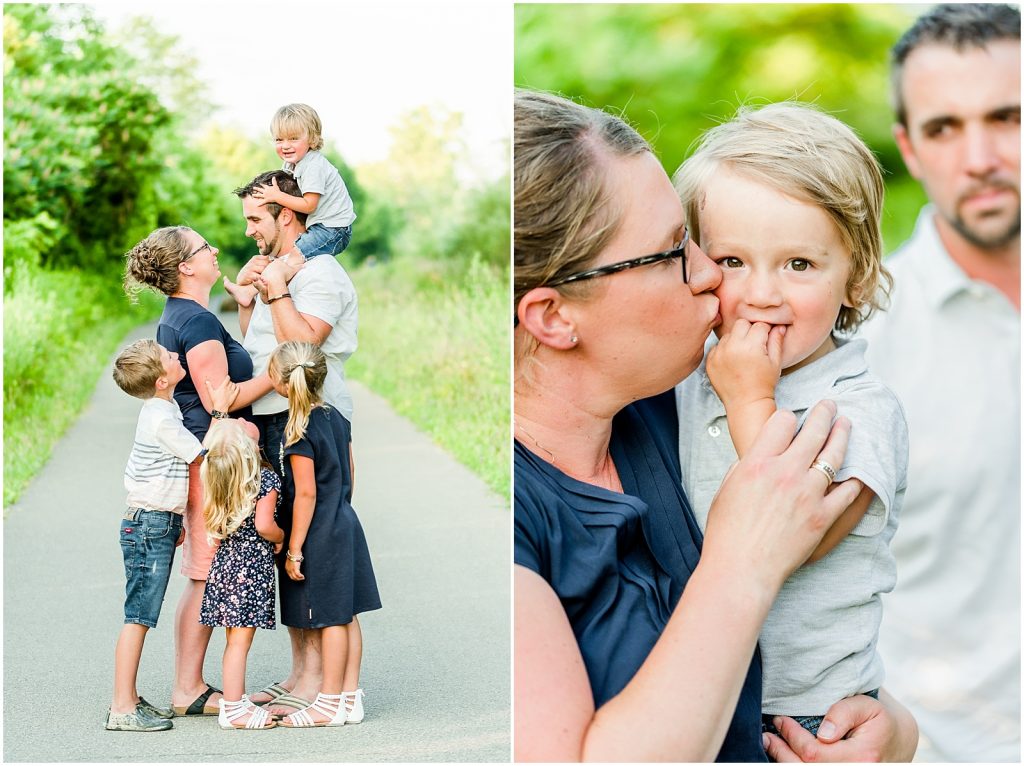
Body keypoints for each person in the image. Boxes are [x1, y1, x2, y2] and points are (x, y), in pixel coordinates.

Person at [513, 88, 918, 762]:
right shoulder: (519, 520)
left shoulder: (668, 399)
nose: (716, 278)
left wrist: (892, 733)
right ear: (553, 316)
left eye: (797, 263)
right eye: (681, 250)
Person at [672, 103, 908, 737]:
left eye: (798, 264)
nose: (761, 294)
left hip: (805, 711)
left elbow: (802, 533)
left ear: (855, 277)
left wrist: (751, 400)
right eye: (731, 262)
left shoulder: (859, 407)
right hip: (697, 689)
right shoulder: (689, 375)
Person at [857, 4, 1021, 761]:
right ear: (909, 149)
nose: (981, 156)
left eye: (1008, 117)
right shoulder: (858, 342)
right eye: (944, 128)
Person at [227, 169, 360, 719]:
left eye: (257, 219)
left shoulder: (321, 272)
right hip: (271, 416)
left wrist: (278, 286)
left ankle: (321, 684)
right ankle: (301, 673)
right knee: (279, 545)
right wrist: (247, 297)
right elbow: (256, 346)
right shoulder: (270, 270)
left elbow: (302, 346)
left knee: (314, 546)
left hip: (311, 417)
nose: (251, 231)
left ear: (288, 213)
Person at [123, 226, 272, 718]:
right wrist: (281, 375)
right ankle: (188, 689)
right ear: (186, 267)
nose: (212, 250)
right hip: (213, 464)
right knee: (207, 576)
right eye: (202, 247)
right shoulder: (197, 320)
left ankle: (191, 685)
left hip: (207, 459)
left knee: (203, 576)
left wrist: (247, 308)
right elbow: (221, 399)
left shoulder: (183, 316)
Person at [106, 339, 236, 732]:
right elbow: (201, 454)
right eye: (168, 357)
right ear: (163, 380)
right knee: (139, 617)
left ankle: (129, 700)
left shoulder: (162, 407)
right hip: (149, 523)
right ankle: (122, 707)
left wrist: (174, 519)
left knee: (142, 614)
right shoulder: (162, 419)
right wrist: (219, 409)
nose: (176, 356)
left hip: (155, 520)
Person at [267, 341, 381, 728]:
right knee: (347, 615)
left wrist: (295, 548)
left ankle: (328, 702)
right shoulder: (335, 417)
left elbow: (306, 493)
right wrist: (341, 507)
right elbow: (350, 471)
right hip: (345, 521)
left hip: (319, 532)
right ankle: (350, 698)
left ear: (281, 384)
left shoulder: (297, 432)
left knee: (331, 617)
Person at [225, 103, 356, 308]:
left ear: (312, 139)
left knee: (294, 256)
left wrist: (275, 195)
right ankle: (250, 293)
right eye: (279, 139)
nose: (285, 145)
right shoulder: (292, 164)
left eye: (294, 138)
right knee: (282, 256)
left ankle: (272, 292)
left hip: (334, 229)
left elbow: (309, 205)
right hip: (320, 226)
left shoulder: (313, 166)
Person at [199, 417, 285, 731]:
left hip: (225, 566)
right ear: (249, 450)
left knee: (233, 641)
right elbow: (264, 525)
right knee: (240, 643)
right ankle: (234, 710)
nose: (243, 418)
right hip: (250, 568)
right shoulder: (263, 479)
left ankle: (235, 700)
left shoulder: (222, 479)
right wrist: (281, 538)